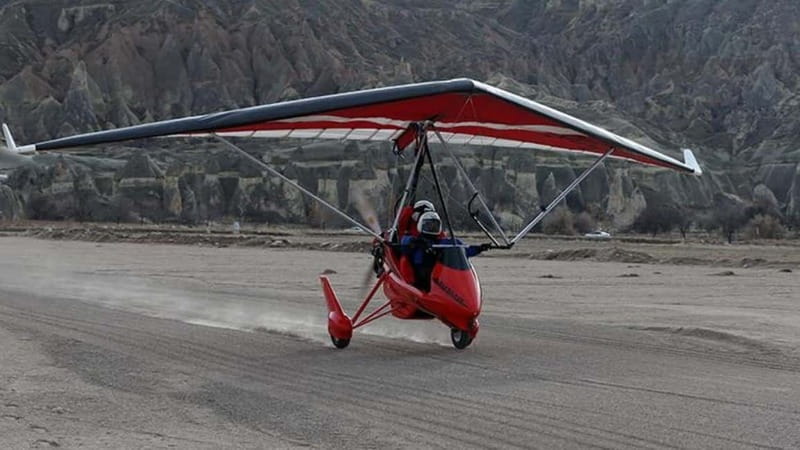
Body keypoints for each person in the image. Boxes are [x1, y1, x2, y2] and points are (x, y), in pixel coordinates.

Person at [400, 211, 490, 291]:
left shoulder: (443, 242)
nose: (432, 228)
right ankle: (414, 287)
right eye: (429, 226)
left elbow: (465, 249)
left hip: (439, 275)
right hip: (420, 274)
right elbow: (404, 242)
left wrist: (480, 248)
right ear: (421, 225)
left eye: (434, 226)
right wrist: (415, 242)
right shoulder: (414, 240)